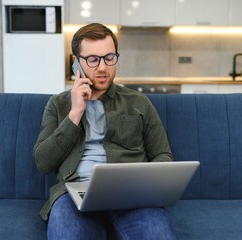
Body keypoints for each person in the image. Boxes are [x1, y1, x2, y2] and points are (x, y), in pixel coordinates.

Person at [33, 23, 176, 240]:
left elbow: (163, 154)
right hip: (74, 196)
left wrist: (148, 185)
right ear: (76, 63)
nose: (102, 67)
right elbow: (43, 162)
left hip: (131, 196)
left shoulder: (139, 102)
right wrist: (75, 114)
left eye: (109, 57)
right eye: (92, 59)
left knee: (158, 235)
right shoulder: (58, 105)